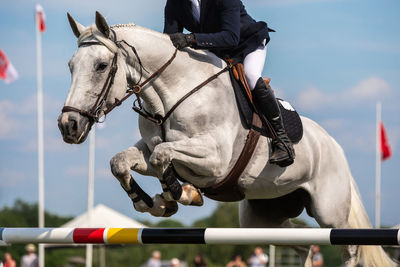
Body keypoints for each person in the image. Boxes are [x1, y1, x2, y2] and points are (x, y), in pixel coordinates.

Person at [164, 0, 295, 167]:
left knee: (251, 77)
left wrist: (191, 38)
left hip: (246, 44)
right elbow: (170, 39)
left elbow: (231, 37)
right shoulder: (175, 3)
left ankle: (282, 139)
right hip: (216, 51)